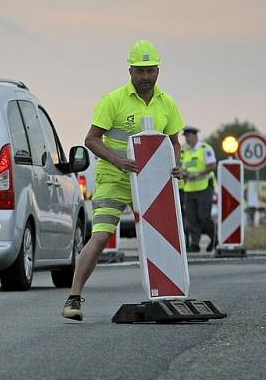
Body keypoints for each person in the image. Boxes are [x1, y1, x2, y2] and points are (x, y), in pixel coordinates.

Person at [63, 40, 184, 321]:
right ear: (130, 70)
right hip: (115, 178)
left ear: (158, 71)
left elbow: (174, 143)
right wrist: (117, 161)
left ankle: (169, 294)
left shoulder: (167, 103)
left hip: (152, 182)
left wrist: (175, 164)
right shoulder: (113, 100)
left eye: (151, 70)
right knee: (102, 235)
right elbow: (91, 139)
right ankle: (74, 297)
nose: (146, 76)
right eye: (140, 71)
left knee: (162, 238)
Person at [180, 126, 217, 252]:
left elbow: (212, 166)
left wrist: (197, 174)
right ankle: (195, 244)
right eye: (185, 137)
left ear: (195, 136)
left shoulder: (205, 149)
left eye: (188, 136)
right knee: (191, 218)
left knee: (204, 216)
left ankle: (214, 239)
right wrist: (184, 173)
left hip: (204, 187)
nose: (187, 139)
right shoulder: (186, 152)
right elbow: (184, 168)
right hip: (189, 188)